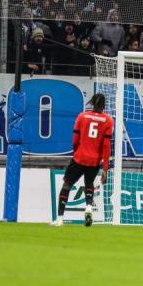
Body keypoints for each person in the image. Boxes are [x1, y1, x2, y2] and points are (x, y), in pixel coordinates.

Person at [52, 94, 114, 227]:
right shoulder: (108, 120)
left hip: (80, 158)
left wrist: (77, 152)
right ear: (104, 105)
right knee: (89, 183)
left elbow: (75, 140)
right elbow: (106, 146)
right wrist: (105, 169)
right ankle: (88, 207)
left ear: (92, 104)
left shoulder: (82, 116)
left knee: (67, 185)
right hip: (95, 161)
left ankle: (60, 219)